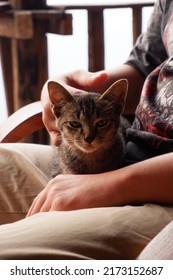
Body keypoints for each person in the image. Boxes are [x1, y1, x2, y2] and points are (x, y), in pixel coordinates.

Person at [0, 0, 173, 259]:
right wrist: (69, 89)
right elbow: (145, 66)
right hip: (130, 152)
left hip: (156, 192)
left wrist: (108, 185)